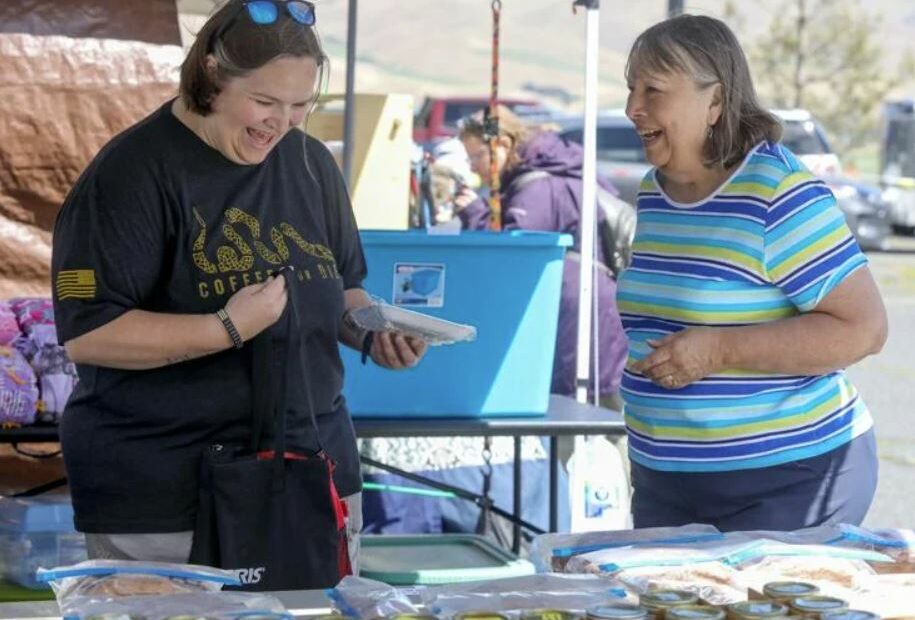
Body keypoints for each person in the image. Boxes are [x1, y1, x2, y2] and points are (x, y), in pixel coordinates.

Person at [50, 0, 425, 568]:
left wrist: (373, 333)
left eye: (301, 105)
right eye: (264, 101)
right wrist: (224, 328)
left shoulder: (310, 162)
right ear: (210, 79)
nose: (283, 122)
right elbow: (90, 334)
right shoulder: (129, 174)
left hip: (310, 474)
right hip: (167, 495)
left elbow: (343, 288)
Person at [618, 14, 888, 531]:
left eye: (653, 89)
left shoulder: (777, 193)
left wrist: (720, 349)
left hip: (787, 476)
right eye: (631, 88)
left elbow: (865, 329)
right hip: (664, 477)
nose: (633, 107)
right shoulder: (656, 193)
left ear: (715, 102)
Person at [456, 107, 629, 403]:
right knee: (602, 412)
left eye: (476, 156)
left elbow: (513, 253)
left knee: (585, 415)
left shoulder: (537, 187)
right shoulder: (551, 174)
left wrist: (474, 211)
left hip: (577, 314)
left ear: (502, 146)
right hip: (589, 308)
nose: (472, 168)